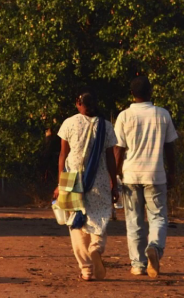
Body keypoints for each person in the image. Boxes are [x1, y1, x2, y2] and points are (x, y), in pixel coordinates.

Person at [114, 75, 178, 278]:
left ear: (132, 94)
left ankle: (138, 265)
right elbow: (170, 147)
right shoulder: (162, 115)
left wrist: (114, 175)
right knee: (158, 216)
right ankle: (155, 248)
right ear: (150, 92)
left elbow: (118, 149)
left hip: (131, 175)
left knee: (133, 221)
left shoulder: (124, 116)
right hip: (155, 174)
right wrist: (173, 172)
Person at [53, 90, 118, 281]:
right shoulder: (106, 126)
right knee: (100, 217)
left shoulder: (69, 123)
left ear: (78, 103)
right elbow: (110, 158)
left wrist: (60, 183)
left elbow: (63, 155)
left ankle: (87, 270)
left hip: (72, 179)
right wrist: (114, 182)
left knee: (75, 222)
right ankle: (96, 247)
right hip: (99, 180)